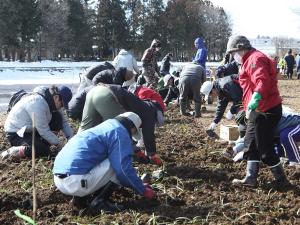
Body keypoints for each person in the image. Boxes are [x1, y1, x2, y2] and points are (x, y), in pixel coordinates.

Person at [53, 112, 155, 212]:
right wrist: (142, 189)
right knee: (116, 164)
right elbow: (123, 170)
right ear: (131, 127)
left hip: (59, 180)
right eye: (133, 132)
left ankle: (81, 198)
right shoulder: (120, 132)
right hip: (75, 182)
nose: (131, 135)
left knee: (102, 159)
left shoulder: (106, 126)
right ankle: (99, 202)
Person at [226, 35, 289, 187]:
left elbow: (262, 81)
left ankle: (282, 180)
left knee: (265, 149)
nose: (233, 57)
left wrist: (256, 98)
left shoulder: (255, 59)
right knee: (250, 144)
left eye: (233, 53)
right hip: (257, 110)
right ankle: (250, 178)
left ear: (240, 49)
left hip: (266, 110)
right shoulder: (248, 61)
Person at [79, 84, 164, 165]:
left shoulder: (141, 105)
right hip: (108, 96)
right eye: (155, 122)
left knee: (85, 128)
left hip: (95, 90)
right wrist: (151, 154)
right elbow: (147, 134)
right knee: (118, 129)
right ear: (157, 113)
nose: (154, 124)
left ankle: (74, 152)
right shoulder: (150, 111)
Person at [2, 85, 73, 159]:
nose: (62, 107)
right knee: (41, 150)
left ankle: (45, 142)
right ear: (56, 97)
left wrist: (71, 140)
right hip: (17, 132)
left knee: (58, 118)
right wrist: (59, 144)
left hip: (32, 129)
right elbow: (44, 131)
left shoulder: (53, 100)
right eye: (62, 104)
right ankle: (12, 151)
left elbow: (64, 122)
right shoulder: (37, 103)